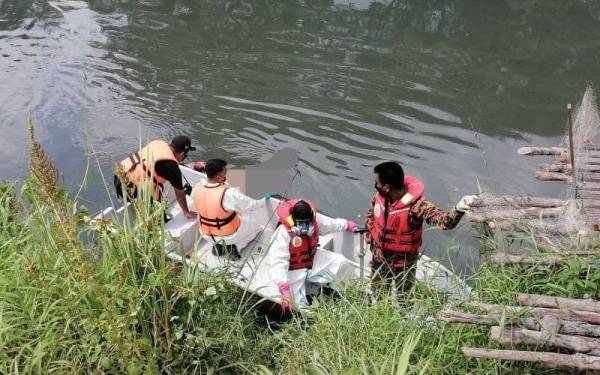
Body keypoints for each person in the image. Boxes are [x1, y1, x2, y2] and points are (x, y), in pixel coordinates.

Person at [365, 161, 477, 295]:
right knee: (378, 294)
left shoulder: (417, 207)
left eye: (377, 183)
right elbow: (371, 217)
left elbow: (445, 222)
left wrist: (459, 208)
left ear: (387, 187)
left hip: (404, 265)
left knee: (404, 299)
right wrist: (369, 237)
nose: (375, 186)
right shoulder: (380, 198)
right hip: (379, 259)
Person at [268, 198, 359, 310]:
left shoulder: (315, 220)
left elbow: (331, 224)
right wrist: (284, 287)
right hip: (293, 269)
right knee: (297, 305)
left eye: (307, 222)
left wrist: (346, 225)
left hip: (313, 259)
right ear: (293, 220)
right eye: (301, 223)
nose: (304, 227)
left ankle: (331, 290)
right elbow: (278, 262)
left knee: (341, 263)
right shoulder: (283, 232)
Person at [191, 158, 266, 255]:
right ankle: (234, 247)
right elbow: (251, 205)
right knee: (256, 226)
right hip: (227, 235)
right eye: (225, 175)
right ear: (218, 178)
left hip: (205, 233)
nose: (227, 175)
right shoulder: (229, 193)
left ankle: (218, 246)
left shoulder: (197, 188)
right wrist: (264, 199)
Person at [114, 136, 199, 219]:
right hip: (134, 186)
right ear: (182, 153)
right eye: (185, 156)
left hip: (120, 176)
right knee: (158, 217)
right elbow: (179, 194)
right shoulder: (171, 167)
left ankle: (141, 211)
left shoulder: (159, 143)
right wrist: (186, 212)